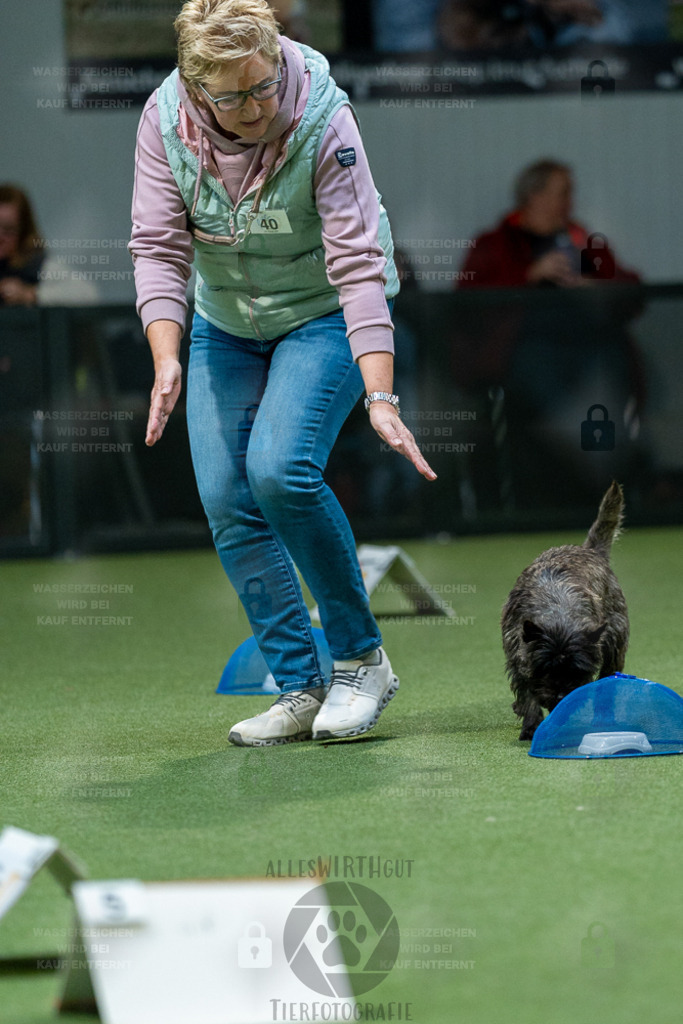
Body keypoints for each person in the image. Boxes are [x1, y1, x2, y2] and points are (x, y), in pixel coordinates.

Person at [129, 0, 435, 747]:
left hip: (322, 313)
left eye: (261, 85)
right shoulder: (163, 120)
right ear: (196, 90)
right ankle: (300, 685)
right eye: (230, 97)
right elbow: (158, 245)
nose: (252, 107)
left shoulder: (325, 120)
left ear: (277, 59)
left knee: (278, 468)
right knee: (228, 497)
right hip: (226, 323)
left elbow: (361, 264)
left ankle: (363, 661)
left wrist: (381, 393)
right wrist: (166, 356)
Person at [0, 185, 45, 307]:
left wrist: (28, 294)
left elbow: (87, 293)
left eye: (8, 229)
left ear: (23, 232)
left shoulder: (39, 266)